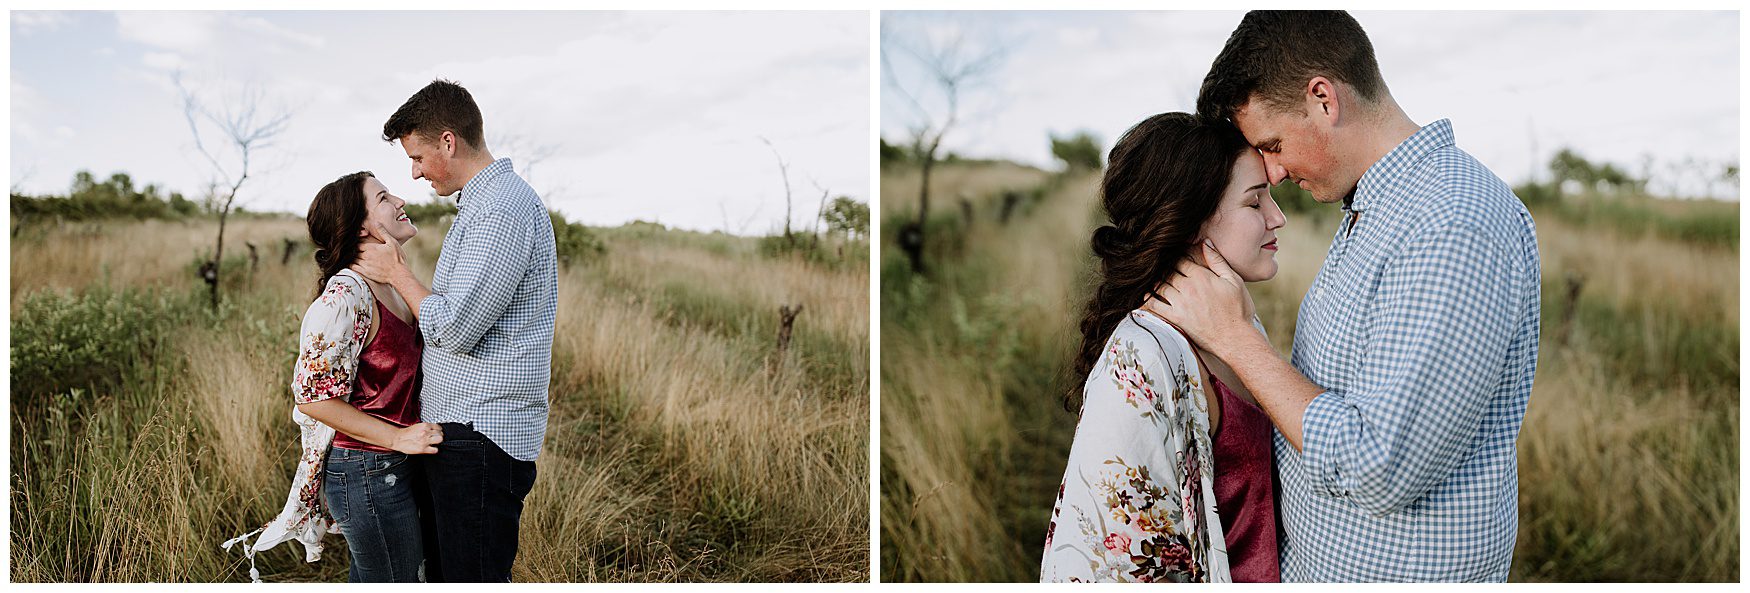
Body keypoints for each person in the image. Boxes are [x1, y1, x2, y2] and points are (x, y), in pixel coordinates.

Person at [1147, 11, 1541, 582]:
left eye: (1273, 144)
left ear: (1324, 99)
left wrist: (1236, 338)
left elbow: (1378, 466)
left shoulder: (1452, 222)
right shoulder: (1381, 209)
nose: (1274, 172)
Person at [1041, 112, 1287, 583]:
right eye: (1255, 203)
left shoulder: (1238, 319)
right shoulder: (1140, 359)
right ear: (1193, 221)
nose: (1278, 216)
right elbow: (1122, 562)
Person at [352, 78, 559, 583]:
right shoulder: (485, 205)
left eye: (417, 157)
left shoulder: (500, 211)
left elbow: (452, 327)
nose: (416, 173)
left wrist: (396, 271)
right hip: (466, 432)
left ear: (448, 141)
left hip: (482, 439)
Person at [223, 171, 445, 583]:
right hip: (366, 470)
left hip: (393, 465)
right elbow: (312, 398)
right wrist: (398, 438)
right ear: (363, 226)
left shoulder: (392, 285)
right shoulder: (346, 297)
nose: (398, 199)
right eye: (382, 197)